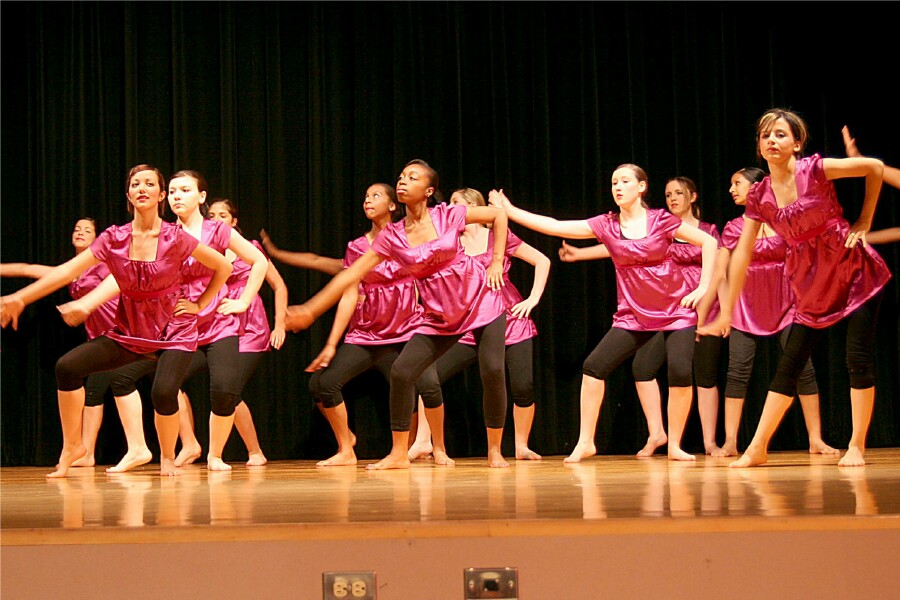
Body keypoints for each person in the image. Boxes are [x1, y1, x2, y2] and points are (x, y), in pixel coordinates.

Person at [0, 164, 233, 477]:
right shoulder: (114, 238)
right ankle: (73, 445)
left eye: (149, 183)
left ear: (160, 195)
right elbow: (67, 271)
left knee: (163, 392)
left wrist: (200, 305)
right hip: (130, 331)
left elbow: (223, 267)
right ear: (128, 195)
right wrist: (21, 298)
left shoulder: (175, 237)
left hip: (174, 332)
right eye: (135, 184)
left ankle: (167, 457)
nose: (142, 188)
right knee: (66, 368)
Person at [285, 159, 511, 469]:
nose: (403, 181)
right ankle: (399, 453)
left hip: (480, 297)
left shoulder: (448, 215)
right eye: (402, 176)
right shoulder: (392, 236)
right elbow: (351, 274)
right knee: (403, 372)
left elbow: (499, 215)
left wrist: (496, 260)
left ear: (428, 190)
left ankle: (495, 449)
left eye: (413, 177)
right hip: (440, 313)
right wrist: (311, 309)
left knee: (493, 371)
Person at [698, 108, 891, 468]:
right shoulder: (759, 195)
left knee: (857, 358)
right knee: (790, 363)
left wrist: (864, 219)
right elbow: (741, 255)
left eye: (781, 134)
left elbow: (875, 167)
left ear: (797, 143)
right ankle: (757, 448)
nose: (772, 140)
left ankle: (856, 445)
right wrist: (726, 312)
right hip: (811, 280)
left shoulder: (814, 169)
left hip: (852, 268)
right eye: (766, 135)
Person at [491, 164, 717, 462]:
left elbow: (709, 242)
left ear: (641, 187)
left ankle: (674, 444)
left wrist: (702, 288)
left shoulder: (661, 220)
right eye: (614, 183)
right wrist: (511, 211)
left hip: (676, 310)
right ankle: (586, 442)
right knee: (594, 367)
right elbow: (555, 225)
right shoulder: (606, 225)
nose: (618, 187)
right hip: (633, 314)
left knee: (679, 371)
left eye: (624, 181)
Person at [560, 176, 724, 456]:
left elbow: (718, 260)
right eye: (668, 194)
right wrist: (582, 254)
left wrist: (710, 296)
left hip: (688, 304)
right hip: (649, 304)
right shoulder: (655, 225)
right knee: (641, 367)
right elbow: (623, 246)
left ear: (693, 196)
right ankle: (656, 432)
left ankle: (698, 442)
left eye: (678, 193)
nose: (673, 199)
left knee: (690, 371)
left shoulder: (679, 225)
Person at [1, 218, 154, 472]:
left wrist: (89, 303)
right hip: (100, 339)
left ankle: (130, 448)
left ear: (97, 239)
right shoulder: (71, 272)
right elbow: (27, 269)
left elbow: (125, 279)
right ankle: (87, 451)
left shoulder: (105, 265)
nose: (81, 232)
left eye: (88, 230)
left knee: (153, 386)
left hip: (125, 333)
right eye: (77, 229)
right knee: (94, 390)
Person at [409, 188, 551, 461]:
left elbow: (542, 261)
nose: (449, 208)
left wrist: (532, 299)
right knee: (430, 375)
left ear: (473, 206)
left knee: (523, 386)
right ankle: (424, 440)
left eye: (456, 203)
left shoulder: (498, 236)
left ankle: (521, 446)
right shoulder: (451, 242)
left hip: (509, 320)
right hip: (468, 323)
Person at [710, 167, 838, 458]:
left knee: (803, 369)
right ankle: (730, 441)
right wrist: (725, 310)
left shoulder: (784, 221)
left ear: (757, 188)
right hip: (746, 305)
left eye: (737, 183)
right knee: (737, 372)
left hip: (787, 302)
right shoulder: (734, 227)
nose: (731, 189)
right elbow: (721, 273)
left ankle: (815, 439)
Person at [166, 171, 268, 472]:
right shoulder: (165, 233)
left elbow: (259, 261)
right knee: (165, 387)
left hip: (218, 323)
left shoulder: (217, 230)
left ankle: (215, 455)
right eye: (172, 191)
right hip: (183, 327)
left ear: (201, 197)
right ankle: (186, 445)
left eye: (185, 190)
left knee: (224, 390)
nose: (177, 196)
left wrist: (243, 301)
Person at [175, 199, 287, 467]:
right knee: (172, 379)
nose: (217, 219)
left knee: (231, 391)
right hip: (215, 321)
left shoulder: (250, 247)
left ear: (233, 221)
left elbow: (278, 285)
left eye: (223, 215)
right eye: (212, 215)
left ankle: (253, 452)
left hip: (250, 327)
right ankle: (190, 443)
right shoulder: (203, 247)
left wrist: (280, 324)